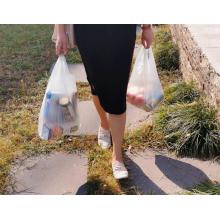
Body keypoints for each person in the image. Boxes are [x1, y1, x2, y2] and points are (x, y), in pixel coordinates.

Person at [55, 24, 153, 180]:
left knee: (117, 90)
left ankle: (118, 156)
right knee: (96, 84)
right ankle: (104, 124)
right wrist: (60, 31)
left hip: (121, 28)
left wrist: (146, 26)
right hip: (87, 29)